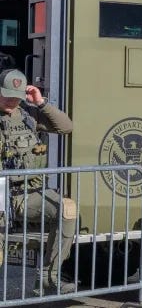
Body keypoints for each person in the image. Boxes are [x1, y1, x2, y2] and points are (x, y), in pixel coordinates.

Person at [0, 69, 77, 293]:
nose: (11, 99)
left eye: (16, 95)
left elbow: (66, 127)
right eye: (6, 94)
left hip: (28, 194)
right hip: (1, 195)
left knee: (67, 209)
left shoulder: (28, 117)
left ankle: (47, 278)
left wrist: (41, 103)